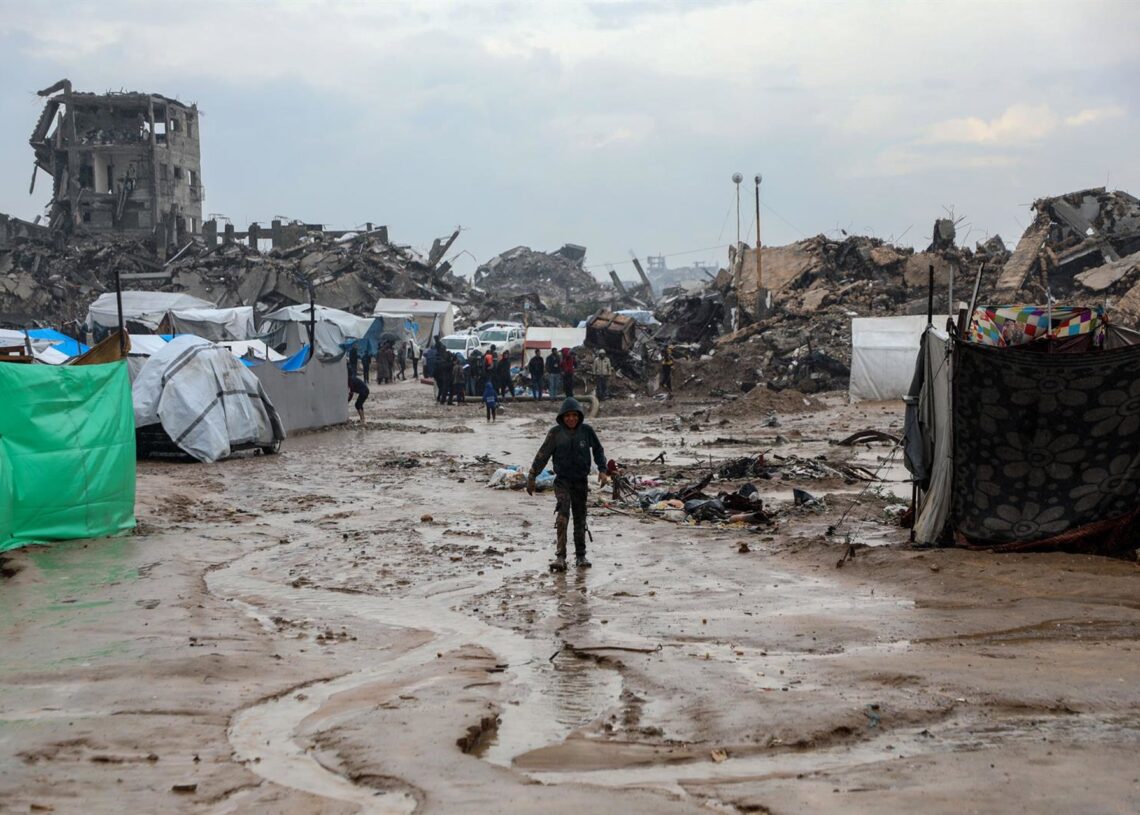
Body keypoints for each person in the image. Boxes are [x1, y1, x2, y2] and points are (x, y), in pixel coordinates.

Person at [526, 397, 608, 571]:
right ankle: (560, 556)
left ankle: (581, 555)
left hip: (580, 481)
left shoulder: (586, 431)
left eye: (574, 415)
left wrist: (602, 469)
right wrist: (532, 476)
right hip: (562, 480)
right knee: (563, 515)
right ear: (562, 417)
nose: (571, 419)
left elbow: (599, 450)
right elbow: (543, 454)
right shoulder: (555, 433)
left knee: (580, 516)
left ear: (579, 416)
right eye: (567, 416)